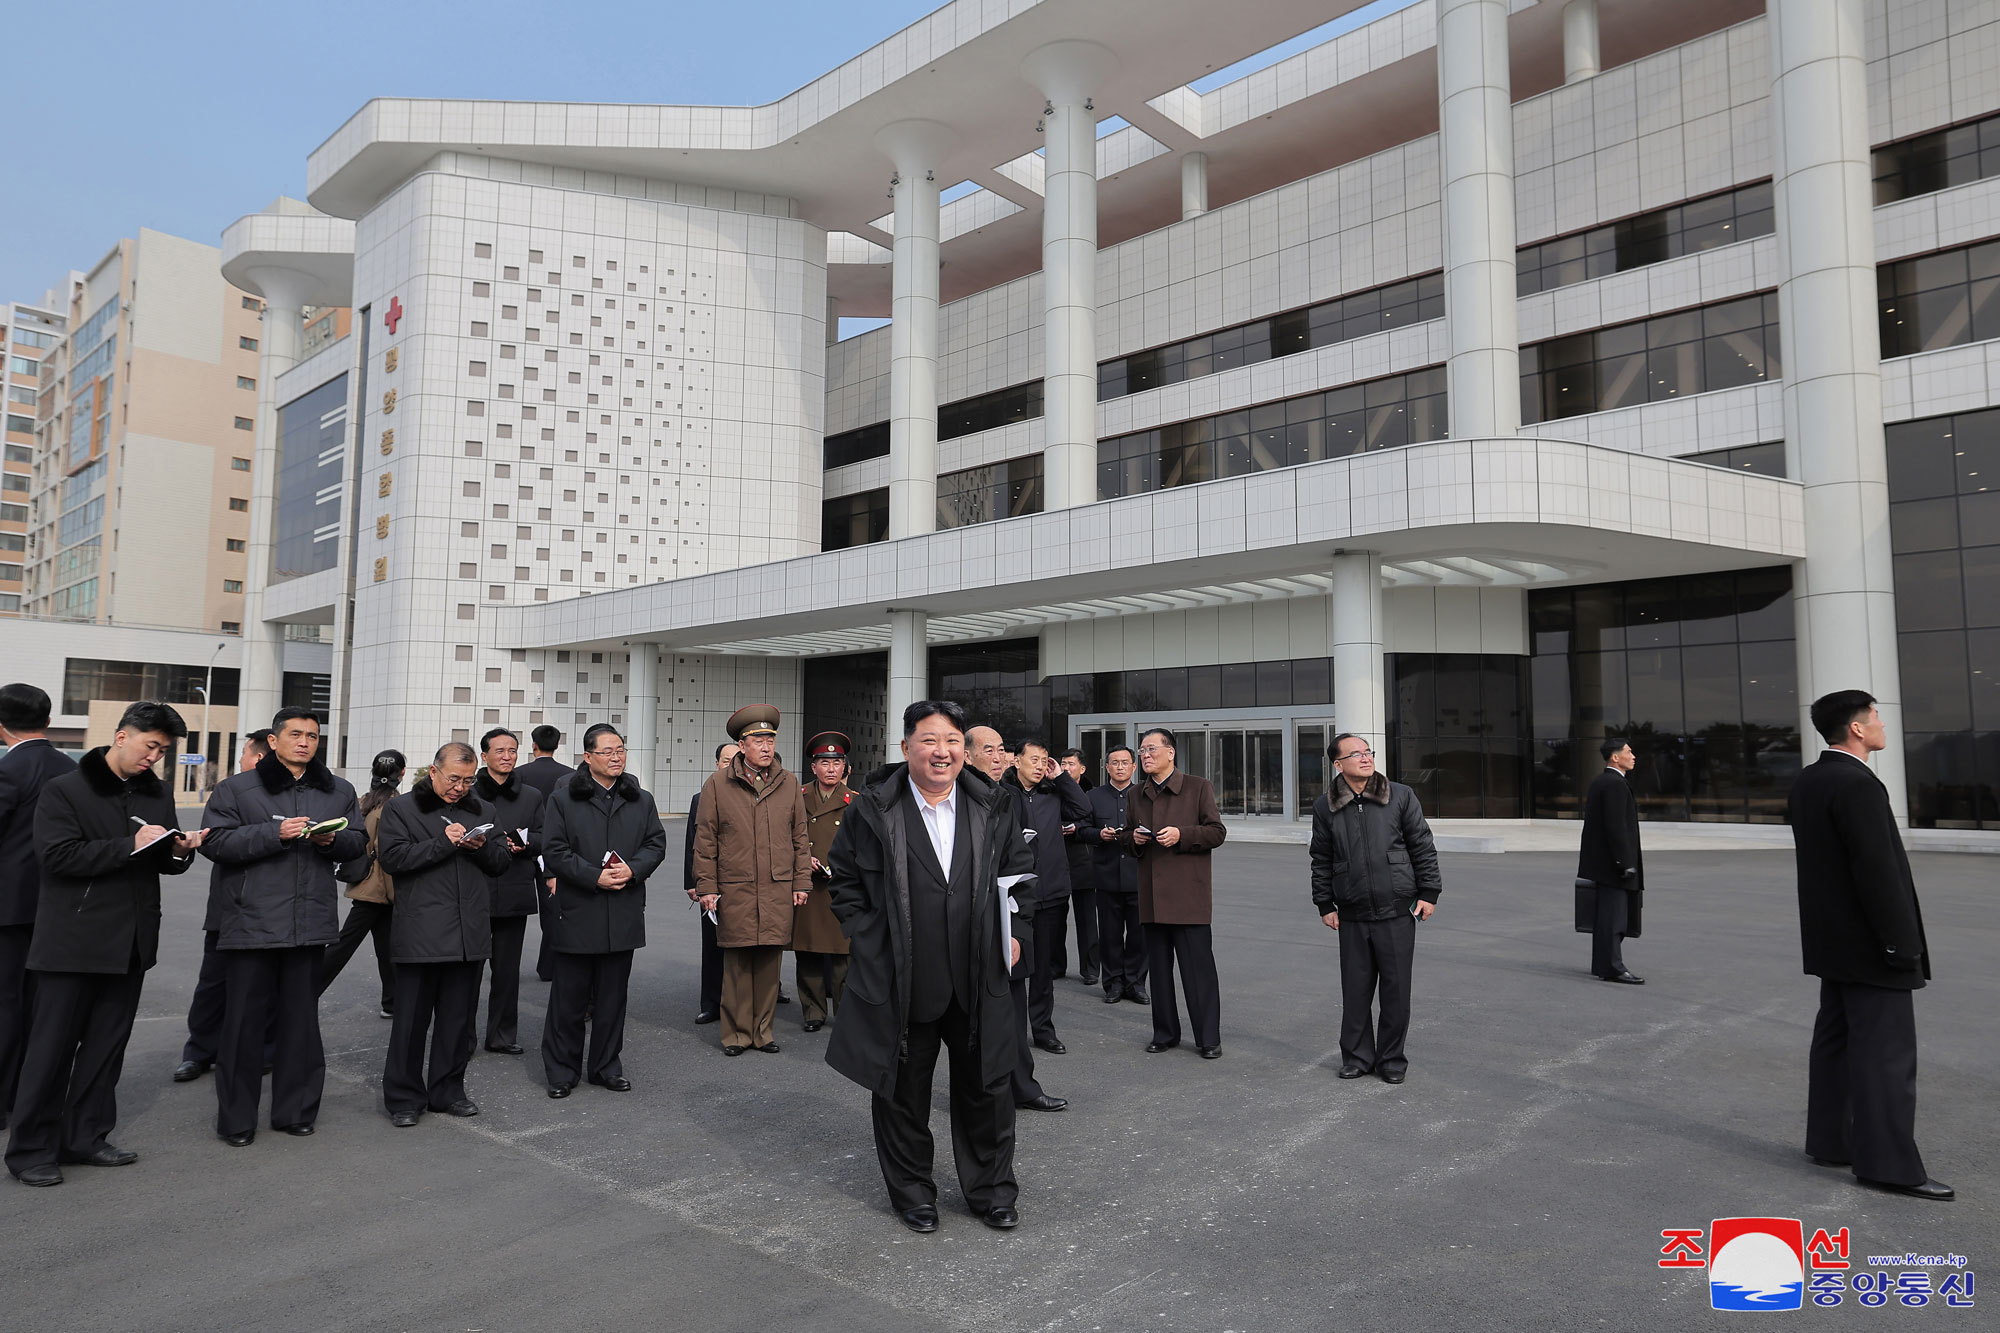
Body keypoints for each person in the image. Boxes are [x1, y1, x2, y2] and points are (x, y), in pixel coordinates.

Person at [824, 701, 1037, 1233]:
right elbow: (845, 883)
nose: (941, 752)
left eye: (952, 741)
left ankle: (991, 1191)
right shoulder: (872, 809)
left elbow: (1021, 875)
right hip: (904, 977)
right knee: (901, 1092)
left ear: (964, 749)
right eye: (929, 740)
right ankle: (913, 1193)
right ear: (906, 748)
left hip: (977, 971)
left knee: (987, 1090)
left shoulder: (995, 804)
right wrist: (869, 940)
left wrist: (1018, 935)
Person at [7, 702, 203, 1186]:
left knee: (105, 1048)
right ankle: (31, 1149)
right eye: (149, 745)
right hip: (71, 942)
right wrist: (130, 846)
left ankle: (86, 1137)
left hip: (131, 941)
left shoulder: (155, 792)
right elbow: (56, 857)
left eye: (163, 749)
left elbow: (160, 863)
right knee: (49, 1050)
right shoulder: (66, 789)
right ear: (121, 736)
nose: (154, 756)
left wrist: (178, 853)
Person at [1789, 690, 1951, 1201]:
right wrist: (1902, 946)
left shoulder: (1811, 780)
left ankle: (1832, 1142)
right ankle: (1888, 1166)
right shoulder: (1858, 784)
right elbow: (1877, 875)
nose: (1882, 724)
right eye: (1876, 716)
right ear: (1857, 729)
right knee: (1886, 1056)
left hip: (1833, 943)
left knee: (1835, 1044)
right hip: (1871, 946)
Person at [200, 707, 365, 1146]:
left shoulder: (338, 791)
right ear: (273, 741)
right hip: (251, 923)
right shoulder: (238, 788)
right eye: (295, 734)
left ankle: (295, 1112)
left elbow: (358, 844)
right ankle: (236, 1120)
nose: (304, 742)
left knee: (300, 1024)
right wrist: (275, 835)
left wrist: (333, 839)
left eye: (312, 736)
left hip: (310, 924)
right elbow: (214, 842)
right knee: (243, 1026)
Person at [374, 742, 512, 1125]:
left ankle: (448, 1091)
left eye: (468, 780)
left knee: (456, 1021)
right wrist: (442, 843)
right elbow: (393, 859)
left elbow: (501, 862)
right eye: (454, 778)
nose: (460, 787)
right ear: (433, 771)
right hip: (420, 932)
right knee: (411, 1023)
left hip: (468, 933)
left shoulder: (483, 809)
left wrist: (480, 847)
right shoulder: (402, 809)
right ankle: (403, 1099)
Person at [540, 724, 666, 1096]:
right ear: (588, 757)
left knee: (613, 998)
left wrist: (634, 869)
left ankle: (606, 1066)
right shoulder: (564, 799)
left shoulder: (640, 798)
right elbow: (555, 851)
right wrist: (594, 877)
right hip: (579, 909)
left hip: (623, 909)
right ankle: (562, 1071)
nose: (616, 757)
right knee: (570, 999)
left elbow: (655, 843)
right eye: (608, 751)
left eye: (621, 750)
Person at [1308, 732, 1440, 1085]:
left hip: (1397, 909)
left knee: (1396, 992)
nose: (1366, 758)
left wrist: (1429, 892)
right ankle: (1356, 1057)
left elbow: (1422, 846)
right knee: (1355, 992)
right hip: (1351, 912)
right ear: (1338, 764)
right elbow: (1320, 858)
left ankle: (1392, 1059)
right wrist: (1324, 902)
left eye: (1369, 752)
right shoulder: (1326, 806)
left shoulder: (1400, 795)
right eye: (1356, 754)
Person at [693, 705, 811, 1056]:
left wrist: (802, 881)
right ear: (741, 745)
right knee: (738, 965)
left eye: (770, 738)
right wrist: (707, 887)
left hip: (777, 887)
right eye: (758, 739)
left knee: (769, 962)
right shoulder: (717, 784)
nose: (766, 745)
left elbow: (800, 836)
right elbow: (706, 840)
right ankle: (736, 1034)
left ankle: (763, 1033)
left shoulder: (788, 782)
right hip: (736, 887)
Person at [964, 726, 1065, 1114]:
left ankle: (1022, 1086)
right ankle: (983, 1092)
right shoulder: (954, 797)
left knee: (1012, 1008)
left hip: (1008, 921)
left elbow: (1022, 863)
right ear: (968, 755)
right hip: (966, 924)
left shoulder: (1005, 798)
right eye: (987, 749)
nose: (997, 755)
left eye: (1001, 749)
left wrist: (1019, 928)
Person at [175, 730, 275, 1083]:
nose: (241, 765)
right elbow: (215, 840)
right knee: (213, 985)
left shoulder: (283, 796)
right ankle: (200, 1051)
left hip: (269, 912)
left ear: (260, 758)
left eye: (244, 757)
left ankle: (262, 1049)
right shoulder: (231, 792)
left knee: (264, 987)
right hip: (228, 905)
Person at [0, 683, 76, 1128]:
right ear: (48, 721)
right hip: (59, 905)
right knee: (42, 1005)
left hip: (9, 908)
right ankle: (38, 1094)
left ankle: (7, 1098)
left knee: (6, 1003)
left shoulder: (10, 770)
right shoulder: (70, 768)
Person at [1128, 727, 1228, 1059]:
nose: (1145, 755)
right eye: (1141, 751)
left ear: (1171, 752)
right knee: (1159, 971)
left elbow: (1216, 832)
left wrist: (1181, 835)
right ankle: (1165, 1033)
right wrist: (1134, 839)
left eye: (1151, 749)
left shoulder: (1198, 787)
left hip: (1189, 896)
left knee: (1198, 972)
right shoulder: (1135, 794)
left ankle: (1208, 1038)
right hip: (1153, 896)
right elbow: (1127, 835)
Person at [1001, 739, 1090, 1055]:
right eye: (1034, 759)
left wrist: (1061, 778)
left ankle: (1043, 1030)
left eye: (1044, 760)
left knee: (1042, 970)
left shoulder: (1053, 794)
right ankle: (1010, 1032)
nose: (1040, 765)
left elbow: (1084, 810)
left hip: (1050, 891)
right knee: (1011, 968)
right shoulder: (1004, 794)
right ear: (1016, 761)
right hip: (1012, 895)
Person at [472, 729, 545, 1055]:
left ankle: (501, 1035)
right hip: (474, 892)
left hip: (514, 890)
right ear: (484, 755)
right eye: (499, 750)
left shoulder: (531, 796)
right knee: (468, 972)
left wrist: (527, 844)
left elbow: (547, 837)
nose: (506, 755)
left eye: (512, 750)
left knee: (506, 972)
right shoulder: (468, 793)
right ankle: (461, 1037)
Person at [315, 750, 404, 1015]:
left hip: (364, 881)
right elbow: (388, 852)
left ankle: (392, 1002)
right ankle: (304, 990)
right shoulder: (397, 805)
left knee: (387, 947)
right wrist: (395, 894)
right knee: (343, 945)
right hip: (379, 887)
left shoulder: (363, 801)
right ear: (401, 774)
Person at [793, 731, 854, 1033]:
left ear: (845, 767)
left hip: (842, 886)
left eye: (837, 762)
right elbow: (785, 836)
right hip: (808, 885)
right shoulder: (797, 797)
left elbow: (866, 846)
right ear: (813, 767)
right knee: (809, 951)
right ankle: (813, 1011)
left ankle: (846, 1012)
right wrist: (804, 859)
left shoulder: (856, 802)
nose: (831, 768)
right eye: (824, 762)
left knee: (844, 954)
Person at [1084, 746, 1147, 1005]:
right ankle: (1113, 983)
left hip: (1138, 875)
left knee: (1139, 935)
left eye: (1125, 762)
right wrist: (1098, 834)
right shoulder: (1092, 796)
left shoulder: (1147, 794)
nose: (1120, 767)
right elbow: (1080, 829)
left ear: (1134, 766)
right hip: (1106, 875)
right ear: (1106, 767)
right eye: (1114, 763)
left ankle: (1136, 983)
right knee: (1109, 935)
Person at [1578, 738, 1644, 984]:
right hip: (1614, 866)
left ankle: (1604, 964)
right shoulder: (1614, 784)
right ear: (1615, 757)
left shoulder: (1603, 781)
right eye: (1628, 751)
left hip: (1607, 864)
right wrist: (1624, 863)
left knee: (1609, 917)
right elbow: (1615, 827)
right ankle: (1612, 967)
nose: (1633, 755)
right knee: (1613, 918)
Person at [684, 741, 737, 1024]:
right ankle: (712, 1003)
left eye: (735, 760)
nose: (730, 765)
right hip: (711, 885)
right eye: (725, 760)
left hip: (743, 885)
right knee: (713, 945)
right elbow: (692, 843)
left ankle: (741, 1005)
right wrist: (692, 883)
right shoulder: (700, 797)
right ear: (717, 763)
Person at [515, 725, 572, 983]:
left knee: (514, 910)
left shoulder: (518, 775)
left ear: (533, 745)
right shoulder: (570, 775)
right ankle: (549, 966)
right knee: (553, 909)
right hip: (557, 848)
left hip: (524, 847)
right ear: (557, 745)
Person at [1055, 748, 1099, 986]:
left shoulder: (1092, 793)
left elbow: (1091, 819)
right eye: (1063, 763)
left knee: (1087, 920)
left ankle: (1091, 969)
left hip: (1083, 861)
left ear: (1082, 769)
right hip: (1057, 862)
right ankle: (1056, 965)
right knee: (1055, 919)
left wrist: (1076, 828)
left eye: (1070, 764)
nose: (1065, 768)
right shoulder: (1051, 788)